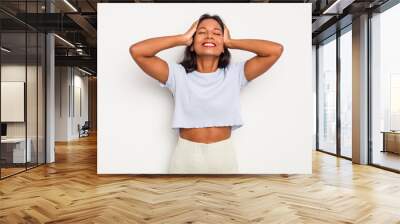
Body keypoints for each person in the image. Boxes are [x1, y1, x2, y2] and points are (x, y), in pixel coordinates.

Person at [129, 13, 283, 174]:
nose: (209, 36)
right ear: (192, 44)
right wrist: (181, 38)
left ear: (223, 45)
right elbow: (138, 51)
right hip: (185, 155)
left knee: (224, 200)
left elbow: (275, 50)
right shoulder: (177, 74)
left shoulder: (235, 74)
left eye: (217, 33)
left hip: (223, 155)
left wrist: (232, 42)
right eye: (201, 32)